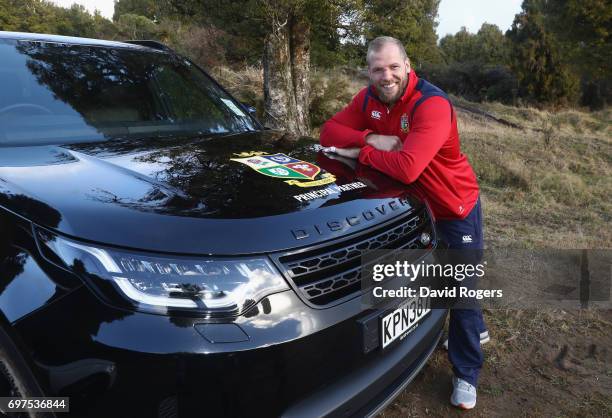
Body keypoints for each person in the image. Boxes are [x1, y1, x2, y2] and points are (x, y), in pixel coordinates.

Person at [319, 36, 488, 410]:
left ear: (408, 66)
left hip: (453, 206)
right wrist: (372, 137)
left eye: (394, 67)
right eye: (378, 69)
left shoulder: (433, 105)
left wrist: (358, 151)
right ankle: (471, 328)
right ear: (369, 71)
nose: (386, 75)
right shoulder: (368, 100)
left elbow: (409, 166)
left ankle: (466, 372)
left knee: (461, 287)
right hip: (412, 208)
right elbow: (328, 132)